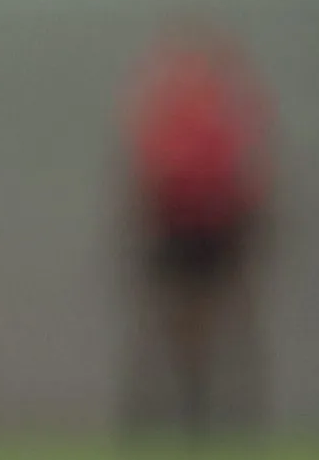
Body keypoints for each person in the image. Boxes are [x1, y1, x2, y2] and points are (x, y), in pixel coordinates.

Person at [123, 26, 268, 435]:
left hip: (200, 230)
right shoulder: (216, 111)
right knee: (190, 324)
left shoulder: (181, 111)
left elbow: (148, 178)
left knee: (192, 324)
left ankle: (194, 409)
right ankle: (188, 409)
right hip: (195, 230)